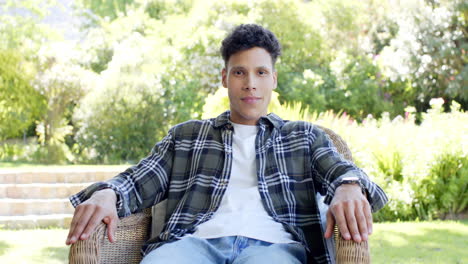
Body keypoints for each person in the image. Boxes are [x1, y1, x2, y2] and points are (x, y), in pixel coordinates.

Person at [66, 24, 388, 264]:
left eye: (261, 72)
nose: (250, 83)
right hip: (191, 247)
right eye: (239, 72)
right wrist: (107, 193)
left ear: (273, 80)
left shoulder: (304, 137)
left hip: (274, 250)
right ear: (224, 78)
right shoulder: (186, 136)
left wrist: (348, 184)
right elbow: (138, 181)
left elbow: (344, 172)